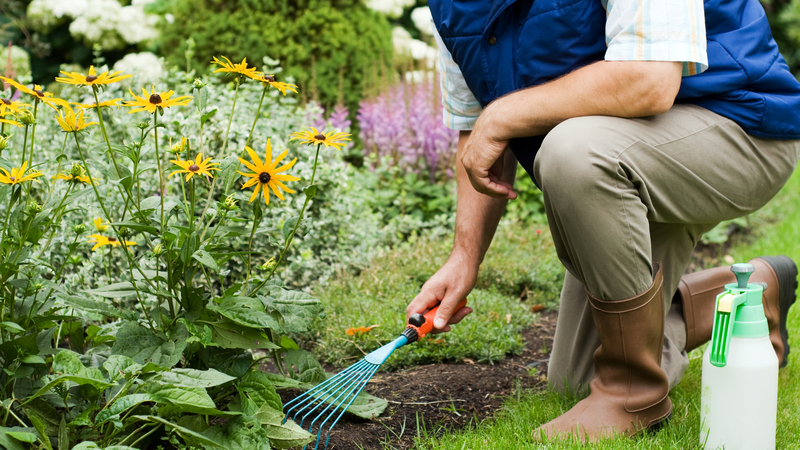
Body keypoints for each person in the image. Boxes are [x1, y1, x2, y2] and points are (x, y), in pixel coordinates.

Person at [405, 0, 800, 442]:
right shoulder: (452, 6)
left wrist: (502, 116)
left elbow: (649, 81)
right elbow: (477, 133)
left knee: (572, 151)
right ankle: (747, 301)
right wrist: (464, 257)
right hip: (630, 148)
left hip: (740, 127)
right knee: (577, 379)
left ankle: (632, 392)